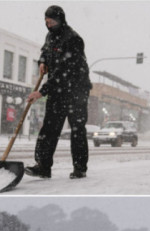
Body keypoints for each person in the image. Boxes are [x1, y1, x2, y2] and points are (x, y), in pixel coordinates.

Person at [26, 5, 92, 179]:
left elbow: (65, 73)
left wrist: (41, 92)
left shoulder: (74, 39)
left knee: (77, 129)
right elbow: (45, 52)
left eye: (52, 21)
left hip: (76, 90)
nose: (49, 25)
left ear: (61, 20)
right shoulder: (50, 36)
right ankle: (43, 166)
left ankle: (80, 168)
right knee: (49, 128)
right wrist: (42, 61)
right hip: (58, 89)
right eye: (46, 22)